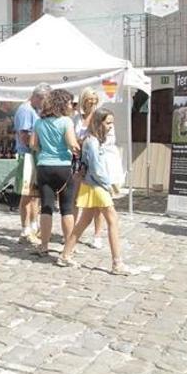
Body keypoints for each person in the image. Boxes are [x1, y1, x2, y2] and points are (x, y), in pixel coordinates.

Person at [59, 108, 131, 275]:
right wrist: (109, 184)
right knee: (113, 219)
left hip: (91, 184)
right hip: (96, 185)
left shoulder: (93, 140)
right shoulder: (92, 142)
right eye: (108, 123)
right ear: (99, 123)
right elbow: (97, 169)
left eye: (112, 122)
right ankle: (117, 263)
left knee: (84, 222)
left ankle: (65, 255)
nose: (111, 126)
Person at [30, 90, 80, 258]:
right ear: (62, 104)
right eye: (69, 103)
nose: (71, 106)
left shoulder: (39, 123)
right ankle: (69, 246)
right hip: (63, 167)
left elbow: (33, 145)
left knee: (46, 207)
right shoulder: (66, 121)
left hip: (44, 166)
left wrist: (46, 148)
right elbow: (72, 144)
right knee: (66, 208)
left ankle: (43, 245)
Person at [15, 83, 51, 245]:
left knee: (35, 194)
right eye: (44, 100)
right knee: (27, 193)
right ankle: (25, 227)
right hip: (28, 155)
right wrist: (38, 145)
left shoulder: (35, 111)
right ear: (37, 97)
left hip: (35, 155)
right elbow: (24, 135)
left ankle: (34, 224)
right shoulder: (25, 110)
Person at [73, 88, 107, 249]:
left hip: (93, 162)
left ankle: (97, 234)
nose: (92, 102)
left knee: (97, 201)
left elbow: (104, 139)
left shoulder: (99, 116)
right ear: (83, 100)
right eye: (88, 99)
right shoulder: (76, 118)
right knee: (75, 198)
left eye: (94, 99)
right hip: (77, 160)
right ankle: (72, 231)